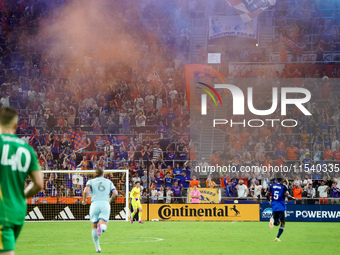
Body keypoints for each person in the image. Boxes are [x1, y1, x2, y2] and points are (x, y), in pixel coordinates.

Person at [0, 107, 44, 255]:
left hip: (2, 211)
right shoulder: (27, 149)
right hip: (17, 212)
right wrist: (22, 196)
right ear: (15, 125)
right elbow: (39, 184)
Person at [82, 167, 118, 253]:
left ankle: (97, 248)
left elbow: (85, 190)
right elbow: (115, 193)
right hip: (105, 204)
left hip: (94, 204)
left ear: (95, 174)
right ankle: (101, 228)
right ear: (103, 174)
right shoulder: (109, 182)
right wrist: (110, 200)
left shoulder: (90, 181)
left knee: (94, 226)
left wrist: (84, 200)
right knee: (104, 225)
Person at [268, 177, 296, 242]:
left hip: (274, 205)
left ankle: (271, 220)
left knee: (276, 223)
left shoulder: (272, 186)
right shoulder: (284, 187)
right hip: (281, 206)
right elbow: (287, 196)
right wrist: (294, 198)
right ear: (282, 180)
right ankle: (277, 237)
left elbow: (267, 194)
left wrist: (269, 201)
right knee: (283, 223)